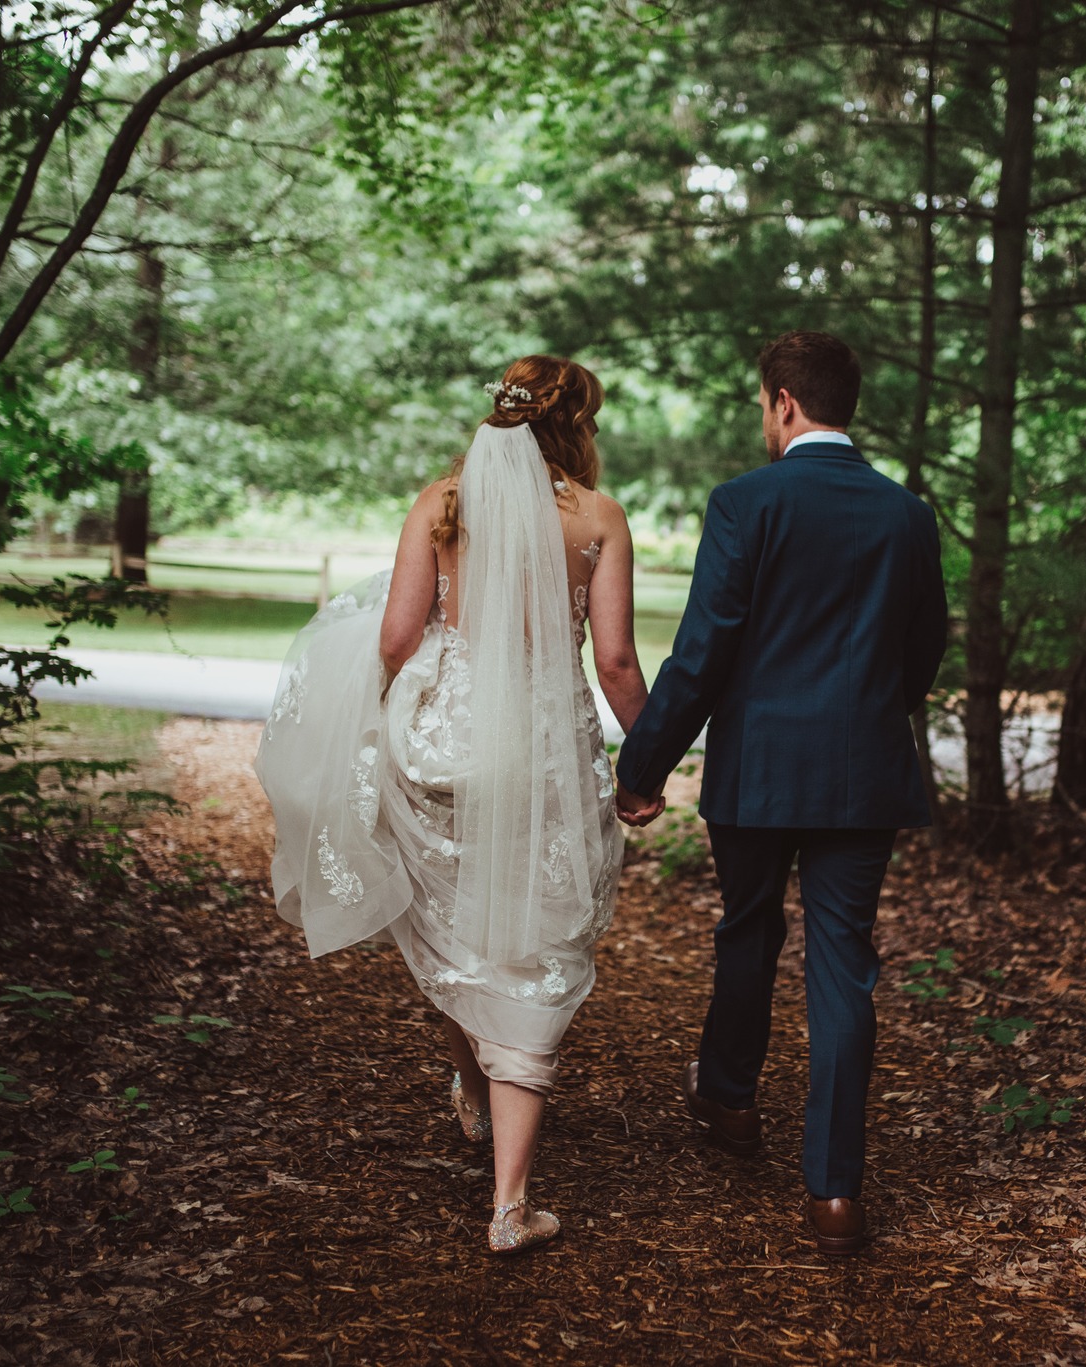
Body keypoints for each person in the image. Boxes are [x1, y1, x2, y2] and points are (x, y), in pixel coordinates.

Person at [255, 355, 663, 1257]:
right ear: (578, 422)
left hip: (445, 751)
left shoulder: (442, 505)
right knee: (533, 945)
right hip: (548, 760)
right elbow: (618, 665)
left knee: (450, 925)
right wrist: (651, 760)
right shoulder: (598, 519)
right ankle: (511, 1203)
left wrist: (407, 699)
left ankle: (471, 1083)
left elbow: (398, 636)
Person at [613, 330, 947, 1255]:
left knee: (749, 927)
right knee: (844, 961)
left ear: (785, 402)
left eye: (764, 404)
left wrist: (642, 767)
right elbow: (923, 651)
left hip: (758, 769)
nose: (764, 419)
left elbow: (703, 652)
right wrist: (873, 715)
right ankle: (835, 1192)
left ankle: (726, 1099)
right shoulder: (906, 516)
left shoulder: (745, 504)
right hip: (865, 773)